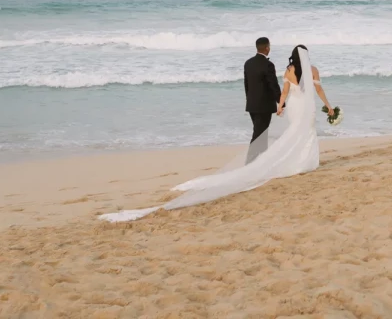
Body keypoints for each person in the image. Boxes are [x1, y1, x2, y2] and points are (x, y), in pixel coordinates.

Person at [99, 44, 327, 222]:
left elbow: (285, 91)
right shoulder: (312, 69)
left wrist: (279, 106)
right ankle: (304, 161)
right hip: (308, 107)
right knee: (305, 132)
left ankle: (285, 160)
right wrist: (329, 105)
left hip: (291, 106)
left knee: (292, 131)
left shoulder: (287, 70)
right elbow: (317, 89)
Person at [243, 37, 281, 160]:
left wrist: (249, 100)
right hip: (264, 106)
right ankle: (249, 162)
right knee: (259, 135)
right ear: (267, 48)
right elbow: (273, 85)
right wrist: (281, 102)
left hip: (252, 105)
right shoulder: (268, 65)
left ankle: (262, 160)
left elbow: (246, 85)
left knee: (261, 134)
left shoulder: (248, 63)